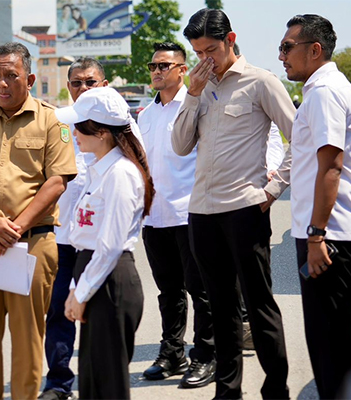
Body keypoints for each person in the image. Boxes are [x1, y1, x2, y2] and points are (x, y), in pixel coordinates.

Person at [173, 9, 296, 399]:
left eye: (210, 49)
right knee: (219, 309)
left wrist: (274, 189)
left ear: (230, 39)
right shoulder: (199, 87)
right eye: (197, 52)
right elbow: (179, 146)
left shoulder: (261, 82)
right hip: (202, 213)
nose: (204, 60)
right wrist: (191, 94)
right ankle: (228, 392)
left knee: (258, 307)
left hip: (245, 210)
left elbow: (301, 139)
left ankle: (275, 389)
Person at [0, 42, 76, 400]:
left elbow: (57, 181)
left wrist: (15, 227)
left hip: (32, 244)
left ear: (30, 78)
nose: (2, 84)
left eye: (11, 76)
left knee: (27, 344)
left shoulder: (50, 120)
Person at [280, 14, 351, 399]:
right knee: (335, 335)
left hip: (328, 235)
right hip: (330, 232)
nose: (281, 55)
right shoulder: (326, 88)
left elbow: (331, 167)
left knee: (327, 339)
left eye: (287, 47)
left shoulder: (324, 91)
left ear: (314, 50)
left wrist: (316, 235)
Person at [57, 87, 150, 399]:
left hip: (110, 281)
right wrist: (77, 289)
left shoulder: (120, 174)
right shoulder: (102, 170)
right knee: (94, 382)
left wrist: (80, 293)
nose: (74, 133)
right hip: (95, 276)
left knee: (108, 385)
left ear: (102, 132)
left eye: (80, 127)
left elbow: (109, 245)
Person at [136, 42, 217, 389]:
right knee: (168, 291)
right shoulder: (145, 114)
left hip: (190, 214)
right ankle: (172, 352)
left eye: (165, 66)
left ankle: (206, 355)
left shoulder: (197, 105)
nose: (157, 71)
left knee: (200, 290)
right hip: (154, 218)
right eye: (153, 66)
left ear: (183, 70)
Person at [39, 57, 107, 400]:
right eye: (77, 83)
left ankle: (97, 381)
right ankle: (59, 382)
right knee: (59, 313)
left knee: (98, 312)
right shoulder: (57, 122)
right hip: (62, 238)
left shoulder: (117, 122)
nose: (83, 88)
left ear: (104, 85)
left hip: (101, 241)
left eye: (90, 82)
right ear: (68, 87)